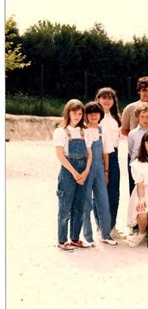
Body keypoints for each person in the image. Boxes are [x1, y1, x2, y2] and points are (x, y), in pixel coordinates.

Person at [53, 99, 92, 251]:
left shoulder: (86, 131)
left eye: (80, 113)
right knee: (65, 207)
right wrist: (75, 173)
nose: (77, 116)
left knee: (80, 206)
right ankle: (62, 240)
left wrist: (86, 171)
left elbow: (90, 154)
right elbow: (60, 156)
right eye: (74, 113)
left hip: (83, 172)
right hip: (68, 172)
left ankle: (75, 238)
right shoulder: (60, 131)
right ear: (68, 113)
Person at [82, 101, 117, 246]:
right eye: (90, 113)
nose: (93, 115)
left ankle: (106, 234)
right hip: (86, 169)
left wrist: (106, 171)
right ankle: (88, 237)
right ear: (86, 115)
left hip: (100, 170)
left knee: (103, 201)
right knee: (86, 203)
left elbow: (106, 154)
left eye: (96, 113)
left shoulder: (103, 131)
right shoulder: (82, 131)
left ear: (100, 114)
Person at [96, 87, 124, 239]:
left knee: (114, 193)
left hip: (114, 156)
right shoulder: (94, 117)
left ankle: (111, 225)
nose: (106, 100)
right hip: (98, 156)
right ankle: (100, 225)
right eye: (103, 97)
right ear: (98, 99)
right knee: (99, 193)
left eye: (110, 98)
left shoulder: (115, 119)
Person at [127, 103, 148, 194]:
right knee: (135, 192)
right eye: (142, 116)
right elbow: (130, 150)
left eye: (147, 116)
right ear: (138, 117)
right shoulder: (132, 133)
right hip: (137, 167)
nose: (145, 119)